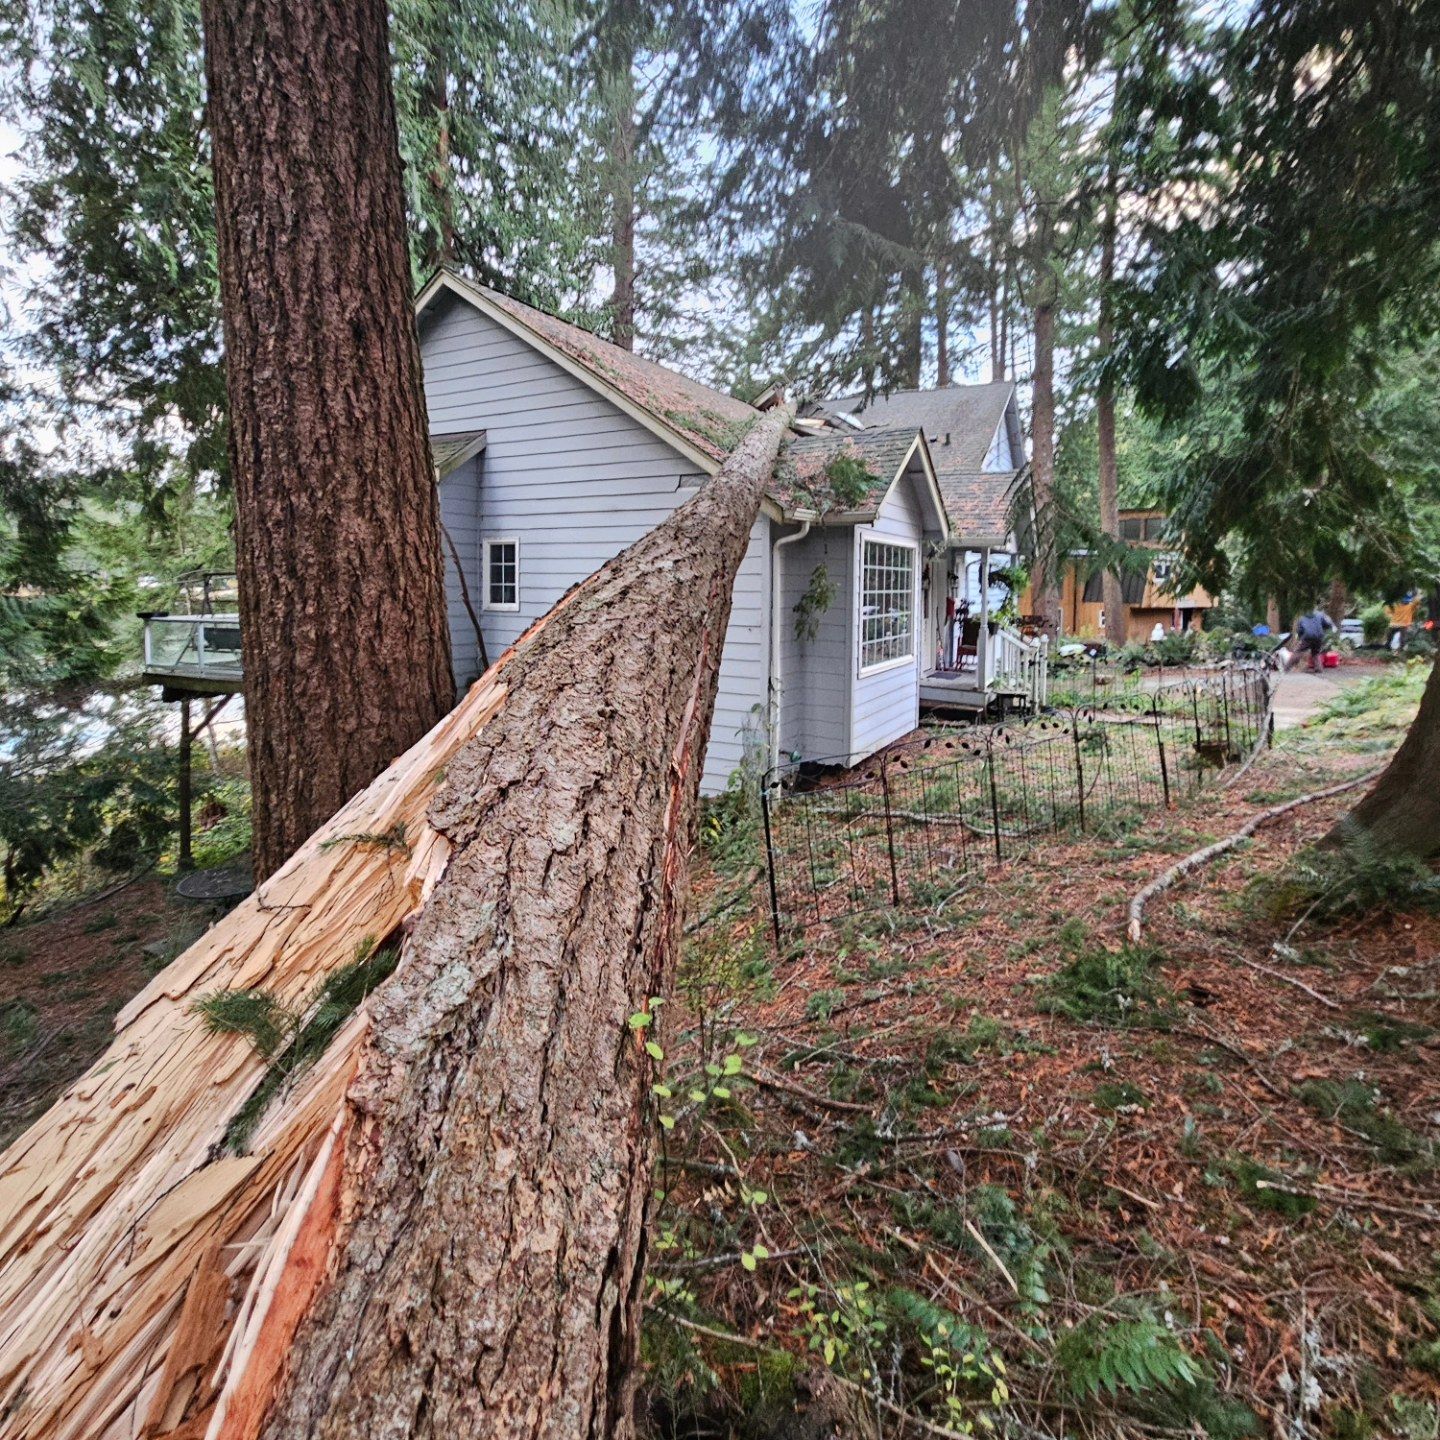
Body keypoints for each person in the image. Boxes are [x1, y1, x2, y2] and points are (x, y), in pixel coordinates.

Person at [1294, 605, 1336, 672]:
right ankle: (1318, 668)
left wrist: (1300, 637)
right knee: (1315, 652)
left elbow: (1300, 630)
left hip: (1307, 636)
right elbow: (1327, 624)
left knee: (1298, 651)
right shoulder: (1320, 615)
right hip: (1319, 636)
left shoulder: (1303, 617)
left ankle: (1287, 667)